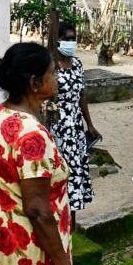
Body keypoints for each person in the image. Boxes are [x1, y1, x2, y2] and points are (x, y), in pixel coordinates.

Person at [0, 42, 79, 265]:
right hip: (32, 252)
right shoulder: (32, 136)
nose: (56, 78)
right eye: (52, 73)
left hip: (1, 242)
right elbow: (38, 210)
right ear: (35, 82)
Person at [51, 21, 99, 226]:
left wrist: (90, 124)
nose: (71, 43)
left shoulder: (77, 64)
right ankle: (56, 223)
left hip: (76, 129)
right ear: (57, 40)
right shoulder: (50, 66)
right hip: (56, 129)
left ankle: (71, 224)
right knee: (57, 175)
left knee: (75, 174)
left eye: (73, 39)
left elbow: (82, 95)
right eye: (66, 39)